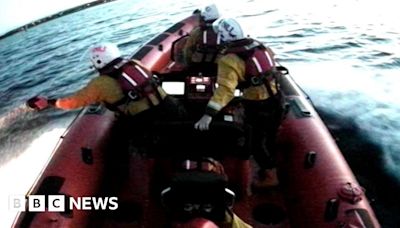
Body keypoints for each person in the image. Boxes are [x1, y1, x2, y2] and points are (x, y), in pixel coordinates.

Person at [27, 42, 186, 145]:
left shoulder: (99, 84)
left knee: (120, 141)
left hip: (146, 121)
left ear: (98, 61)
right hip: (169, 106)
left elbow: (72, 102)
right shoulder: (134, 63)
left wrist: (49, 102)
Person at [194, 18, 283, 188]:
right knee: (270, 136)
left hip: (259, 105)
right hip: (277, 98)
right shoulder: (259, 45)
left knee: (256, 142)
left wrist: (208, 115)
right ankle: (273, 161)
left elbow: (225, 90)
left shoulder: (229, 60)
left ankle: (271, 176)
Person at [181, 4, 221, 73]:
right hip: (218, 66)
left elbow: (187, 51)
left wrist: (188, 65)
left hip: (197, 64)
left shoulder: (197, 32)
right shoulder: (223, 30)